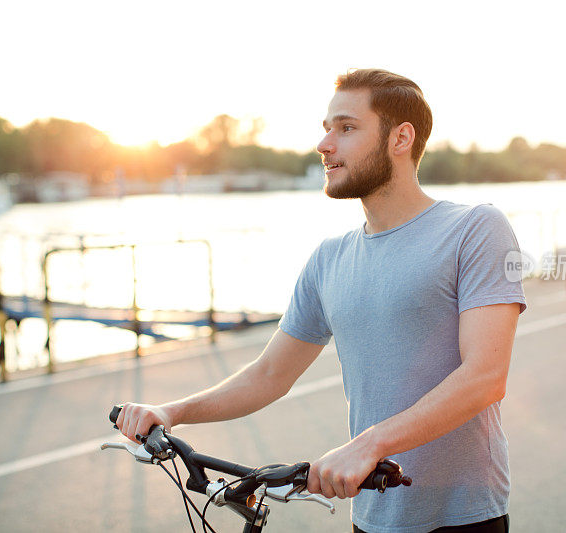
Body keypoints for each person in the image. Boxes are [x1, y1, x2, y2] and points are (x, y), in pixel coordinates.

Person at [115, 69, 527, 533]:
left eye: (346, 128)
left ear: (401, 138)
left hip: (462, 518)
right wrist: (173, 412)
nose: (324, 143)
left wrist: (369, 445)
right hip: (372, 515)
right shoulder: (329, 258)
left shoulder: (475, 228)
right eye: (327, 127)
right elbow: (269, 374)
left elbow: (484, 377)